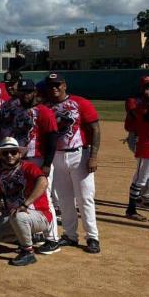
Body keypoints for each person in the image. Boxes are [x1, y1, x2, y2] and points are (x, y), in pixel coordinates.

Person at [44, 73, 101, 254]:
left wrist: (93, 155)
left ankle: (92, 236)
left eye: (57, 84)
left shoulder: (80, 102)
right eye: (51, 85)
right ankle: (70, 235)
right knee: (64, 199)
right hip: (57, 157)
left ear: (64, 85)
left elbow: (95, 129)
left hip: (80, 155)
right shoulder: (45, 107)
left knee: (85, 197)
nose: (54, 87)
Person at [4, 78, 59, 252]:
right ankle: (35, 234)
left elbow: (52, 138)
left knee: (45, 197)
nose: (25, 95)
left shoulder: (44, 111)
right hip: (22, 160)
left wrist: (47, 163)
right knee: (25, 195)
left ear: (34, 92)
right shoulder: (18, 110)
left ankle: (53, 238)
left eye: (28, 92)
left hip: (38, 158)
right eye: (22, 91)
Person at [0, 138, 53, 267]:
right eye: (5, 153)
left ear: (20, 154)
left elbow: (43, 182)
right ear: (1, 156)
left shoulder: (29, 167)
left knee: (18, 216)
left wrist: (25, 204)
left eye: (13, 152)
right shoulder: (1, 176)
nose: (9, 155)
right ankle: (27, 238)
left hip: (39, 215)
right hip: (16, 216)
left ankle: (28, 252)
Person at [125, 76, 149, 221]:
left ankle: (147, 199)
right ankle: (131, 209)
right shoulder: (138, 104)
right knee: (140, 179)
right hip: (145, 145)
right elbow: (147, 118)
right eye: (147, 87)